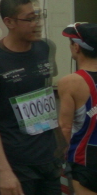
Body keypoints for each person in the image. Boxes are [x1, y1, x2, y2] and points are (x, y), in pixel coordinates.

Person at [0, 0, 59, 195]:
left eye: (38, 17)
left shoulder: (44, 48)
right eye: (29, 19)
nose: (36, 24)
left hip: (49, 159)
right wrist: (4, 170)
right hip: (17, 162)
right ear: (9, 22)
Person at [59, 23, 97, 195]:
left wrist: (59, 160)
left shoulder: (71, 82)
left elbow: (65, 127)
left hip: (85, 158)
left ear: (76, 47)